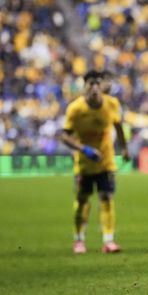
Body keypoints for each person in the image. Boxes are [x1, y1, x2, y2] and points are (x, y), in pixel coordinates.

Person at [60, 70, 130, 254]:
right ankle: (79, 240)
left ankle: (108, 241)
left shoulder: (112, 104)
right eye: (90, 84)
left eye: (97, 83)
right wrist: (84, 149)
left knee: (106, 198)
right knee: (83, 201)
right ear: (84, 87)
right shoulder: (75, 109)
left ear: (101, 86)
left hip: (106, 163)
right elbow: (64, 136)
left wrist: (124, 148)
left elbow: (119, 127)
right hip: (84, 164)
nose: (94, 87)